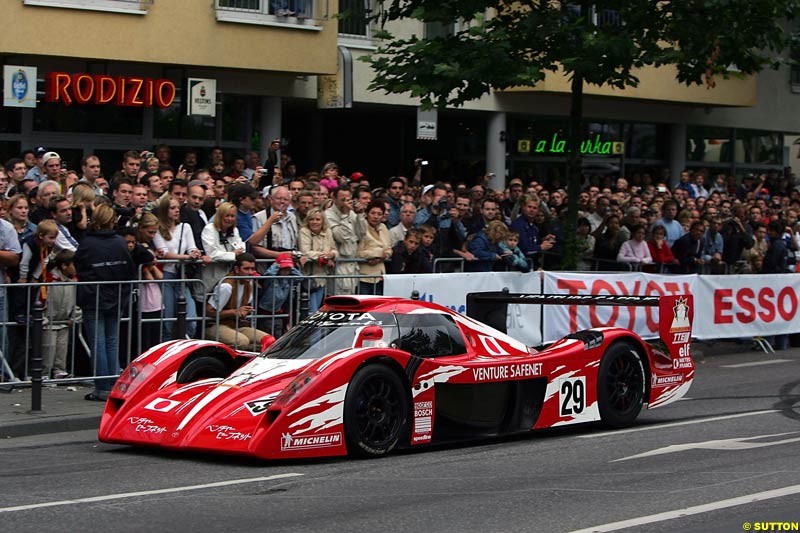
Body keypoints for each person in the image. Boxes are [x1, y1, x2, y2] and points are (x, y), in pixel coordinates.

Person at [75, 204, 134, 401]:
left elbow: (79, 266)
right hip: (116, 297)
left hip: (94, 297)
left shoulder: (87, 243)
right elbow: (129, 269)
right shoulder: (119, 242)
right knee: (111, 341)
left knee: (98, 342)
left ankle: (102, 387)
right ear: (112, 220)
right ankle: (113, 384)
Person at [153, 194, 201, 339]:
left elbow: (191, 247)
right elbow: (164, 253)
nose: (176, 211)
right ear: (164, 210)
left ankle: (186, 344)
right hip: (167, 275)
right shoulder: (157, 229)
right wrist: (186, 257)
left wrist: (195, 252)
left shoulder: (185, 227)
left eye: (178, 208)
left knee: (191, 319)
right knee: (167, 321)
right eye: (172, 208)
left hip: (182, 275)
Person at [206, 253, 267, 350]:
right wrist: (234, 312)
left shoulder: (249, 283)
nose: (250, 272)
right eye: (246, 269)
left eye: (252, 269)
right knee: (242, 342)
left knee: (268, 340)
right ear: (237, 269)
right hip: (214, 325)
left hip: (236, 325)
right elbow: (208, 311)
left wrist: (244, 312)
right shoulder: (226, 287)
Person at [42, 250, 80, 379]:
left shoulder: (73, 281)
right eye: (74, 265)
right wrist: (43, 318)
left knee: (61, 349)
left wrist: (74, 317)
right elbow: (41, 300)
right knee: (48, 349)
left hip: (64, 322)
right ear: (64, 266)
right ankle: (44, 373)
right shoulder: (50, 280)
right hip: (49, 322)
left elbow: (76, 302)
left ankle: (59, 371)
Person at [326, 187, 366, 295]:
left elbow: (362, 235)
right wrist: (344, 215)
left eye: (348, 199)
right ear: (334, 198)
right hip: (338, 266)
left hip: (352, 265)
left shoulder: (352, 213)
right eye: (343, 200)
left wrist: (360, 215)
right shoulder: (328, 215)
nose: (346, 203)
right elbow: (341, 237)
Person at [201, 202, 246, 297]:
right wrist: (233, 255)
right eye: (227, 216)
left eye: (232, 216)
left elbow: (241, 249)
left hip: (228, 278)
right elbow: (212, 253)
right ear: (220, 216)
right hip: (212, 277)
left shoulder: (234, 230)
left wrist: (233, 254)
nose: (230, 219)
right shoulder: (209, 229)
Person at [298, 208, 337, 313]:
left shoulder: (328, 231)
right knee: (312, 310)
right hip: (309, 276)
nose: (314, 222)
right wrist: (324, 256)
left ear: (323, 221)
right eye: (312, 219)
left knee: (321, 310)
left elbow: (334, 249)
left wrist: (332, 254)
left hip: (323, 276)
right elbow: (305, 251)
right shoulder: (304, 231)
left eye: (318, 219)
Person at [135, 213, 164, 351]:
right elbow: (150, 276)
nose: (152, 235)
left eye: (155, 232)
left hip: (154, 297)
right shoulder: (137, 246)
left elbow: (159, 275)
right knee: (144, 338)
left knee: (155, 336)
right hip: (142, 298)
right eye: (150, 232)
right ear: (140, 228)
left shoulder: (150, 245)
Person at [356, 200, 392, 295]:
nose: (376, 217)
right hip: (364, 276)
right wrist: (379, 253)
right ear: (367, 214)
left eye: (379, 214)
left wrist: (383, 256)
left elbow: (389, 249)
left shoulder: (383, 227)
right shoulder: (361, 227)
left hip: (380, 275)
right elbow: (358, 253)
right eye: (373, 213)